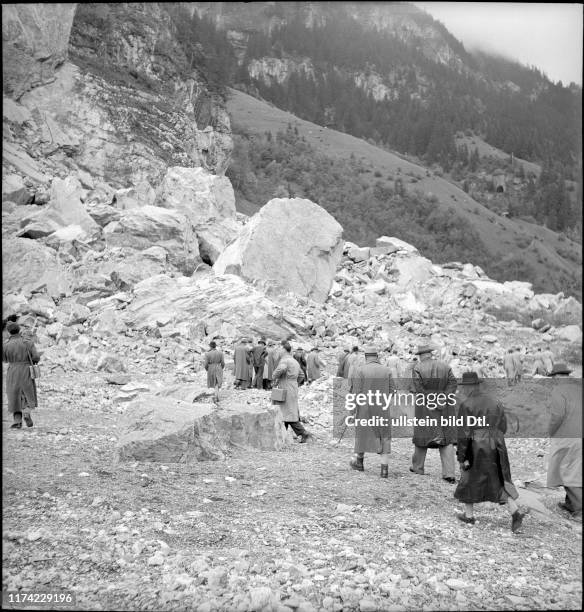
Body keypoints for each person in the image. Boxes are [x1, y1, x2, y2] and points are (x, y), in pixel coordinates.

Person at [454, 371, 525, 532]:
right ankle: (515, 512)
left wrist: (462, 456)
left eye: (465, 386)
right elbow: (504, 427)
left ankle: (469, 515)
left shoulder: (467, 405)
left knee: (468, 477)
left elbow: (464, 433)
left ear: (470, 386)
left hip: (477, 445)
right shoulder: (496, 401)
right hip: (497, 443)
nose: (463, 390)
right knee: (499, 478)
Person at [410, 344, 458, 483]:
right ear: (430, 354)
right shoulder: (445, 366)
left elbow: (418, 388)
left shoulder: (417, 368)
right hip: (444, 407)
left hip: (425, 406)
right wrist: (443, 397)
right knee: (446, 438)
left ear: (421, 355)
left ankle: (418, 467)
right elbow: (453, 384)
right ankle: (449, 473)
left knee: (422, 436)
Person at [349, 347, 394, 478]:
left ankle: (359, 463)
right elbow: (392, 391)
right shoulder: (387, 370)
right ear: (377, 356)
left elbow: (356, 393)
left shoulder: (360, 370)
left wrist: (352, 411)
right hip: (382, 408)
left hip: (364, 408)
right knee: (384, 437)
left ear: (366, 357)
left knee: (362, 433)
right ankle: (384, 470)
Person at [546, 363, 582, 521]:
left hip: (568, 436)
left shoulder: (558, 391)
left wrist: (550, 431)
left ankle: (579, 510)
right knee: (576, 469)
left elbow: (557, 415)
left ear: (557, 377)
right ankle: (570, 503)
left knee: (567, 471)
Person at [3, 322, 40, 429]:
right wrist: (32, 361)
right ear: (19, 330)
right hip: (26, 369)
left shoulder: (5, 345)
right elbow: (36, 357)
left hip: (12, 371)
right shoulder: (27, 342)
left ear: (9, 332)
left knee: (14, 394)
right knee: (27, 392)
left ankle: (17, 421)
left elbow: (4, 359)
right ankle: (27, 412)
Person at [272, 342, 310, 443]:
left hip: (285, 386)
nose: (279, 351)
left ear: (284, 350)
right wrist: (295, 383)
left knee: (285, 411)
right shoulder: (294, 361)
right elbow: (301, 375)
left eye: (280, 349)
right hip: (293, 387)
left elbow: (282, 368)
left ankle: (303, 432)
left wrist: (274, 376)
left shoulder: (284, 360)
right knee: (287, 411)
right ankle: (283, 434)